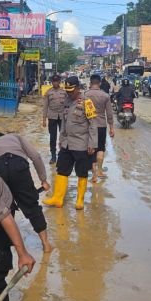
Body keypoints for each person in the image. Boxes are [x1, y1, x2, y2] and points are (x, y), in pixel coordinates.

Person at [0, 132, 53, 253]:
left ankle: (5, 246)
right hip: (17, 164)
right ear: (4, 136)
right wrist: (43, 180)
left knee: (1, 209)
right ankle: (46, 244)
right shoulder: (15, 137)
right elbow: (35, 156)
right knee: (31, 206)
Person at [43, 75, 98, 210]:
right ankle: (58, 198)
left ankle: (79, 200)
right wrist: (61, 140)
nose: (69, 93)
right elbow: (63, 123)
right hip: (67, 143)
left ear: (78, 88)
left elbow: (93, 125)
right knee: (61, 170)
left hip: (81, 144)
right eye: (67, 90)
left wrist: (92, 144)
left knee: (82, 172)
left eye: (71, 90)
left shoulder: (87, 102)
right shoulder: (66, 102)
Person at [85, 74, 115, 182]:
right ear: (99, 83)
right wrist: (111, 127)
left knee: (91, 148)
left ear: (90, 82)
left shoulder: (85, 95)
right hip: (101, 125)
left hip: (89, 126)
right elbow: (109, 113)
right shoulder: (105, 96)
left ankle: (93, 174)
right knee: (101, 148)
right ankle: (100, 171)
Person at [42, 74, 68, 164]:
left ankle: (62, 155)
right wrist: (43, 119)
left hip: (62, 117)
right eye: (54, 81)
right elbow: (45, 106)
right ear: (52, 82)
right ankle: (53, 156)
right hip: (52, 117)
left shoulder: (64, 92)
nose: (55, 83)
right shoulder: (48, 93)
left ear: (59, 82)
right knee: (52, 137)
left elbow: (67, 105)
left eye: (57, 81)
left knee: (63, 136)